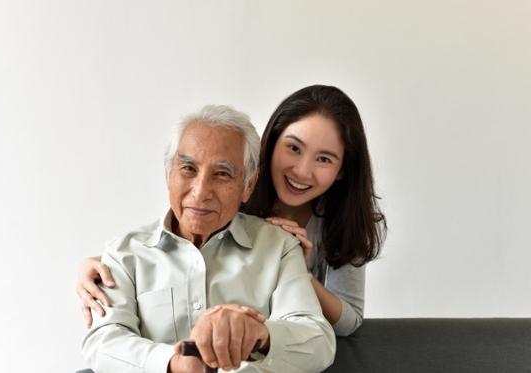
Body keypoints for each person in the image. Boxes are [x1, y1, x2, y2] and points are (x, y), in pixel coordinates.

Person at [77, 85, 386, 337]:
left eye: (324, 159)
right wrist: (99, 264)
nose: (303, 171)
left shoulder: (345, 222)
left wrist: (298, 273)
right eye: (293, 148)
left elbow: (349, 321)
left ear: (343, 170)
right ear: (272, 142)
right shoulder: (228, 194)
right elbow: (171, 247)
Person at [82, 105, 336, 373]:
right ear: (169, 175)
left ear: (248, 185)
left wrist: (260, 334)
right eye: (188, 168)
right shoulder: (124, 254)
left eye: (222, 174)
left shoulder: (280, 247)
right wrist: (173, 363)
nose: (201, 192)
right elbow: (102, 343)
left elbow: (319, 343)